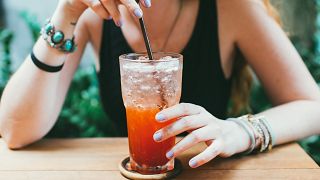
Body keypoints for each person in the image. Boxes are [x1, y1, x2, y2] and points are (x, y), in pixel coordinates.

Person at [0, 0, 320, 168]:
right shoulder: (94, 14)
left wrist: (243, 130)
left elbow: (313, 107)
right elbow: (15, 130)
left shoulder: (231, 7)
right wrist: (66, 11)